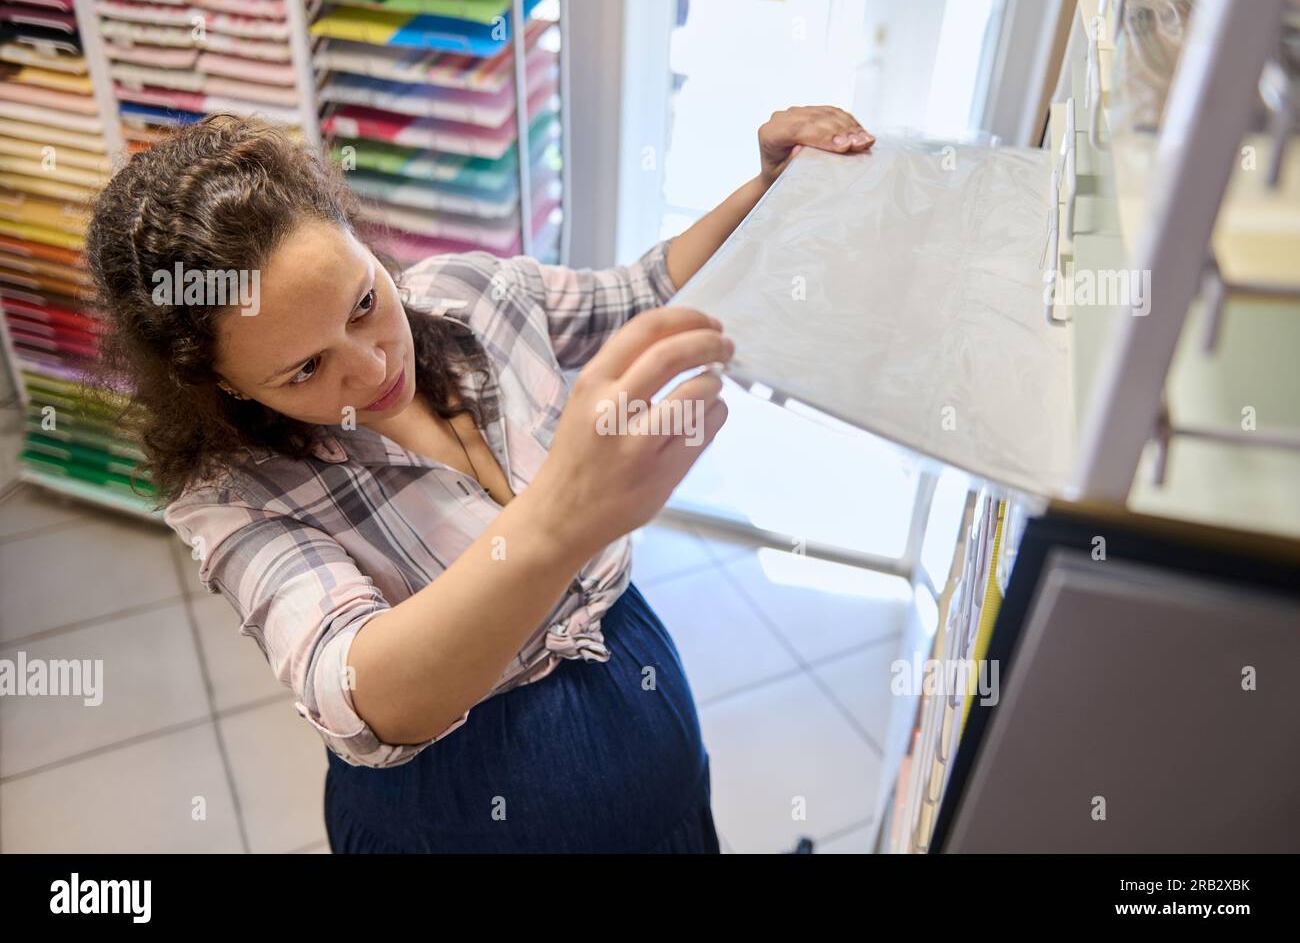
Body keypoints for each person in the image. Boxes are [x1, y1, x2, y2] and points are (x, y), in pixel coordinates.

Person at [84, 107, 874, 853]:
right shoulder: (235, 496)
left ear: (357, 238)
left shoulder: (468, 294)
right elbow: (354, 693)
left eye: (363, 303)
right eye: (305, 369)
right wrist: (560, 521)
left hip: (649, 737)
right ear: (221, 384)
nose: (372, 368)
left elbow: (644, 291)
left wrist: (767, 191)